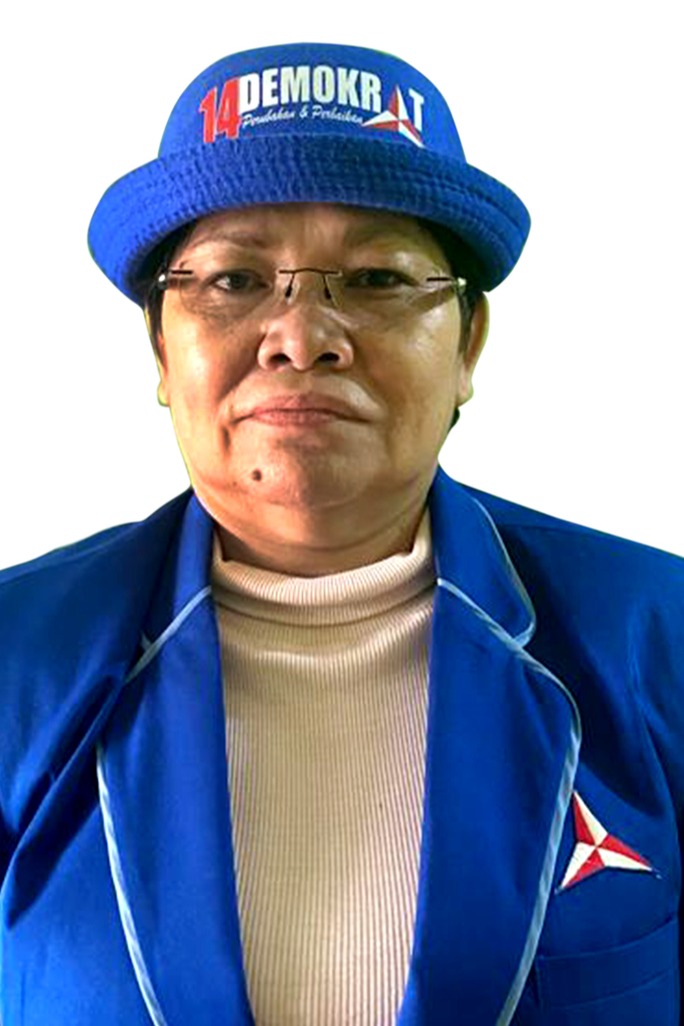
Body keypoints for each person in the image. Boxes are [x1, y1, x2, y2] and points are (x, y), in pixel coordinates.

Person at [0, 41, 682, 1026]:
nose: (302, 336)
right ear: (160, 345)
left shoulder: (661, 640)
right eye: (235, 279)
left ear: (468, 343)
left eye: (375, 279)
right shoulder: (18, 660)